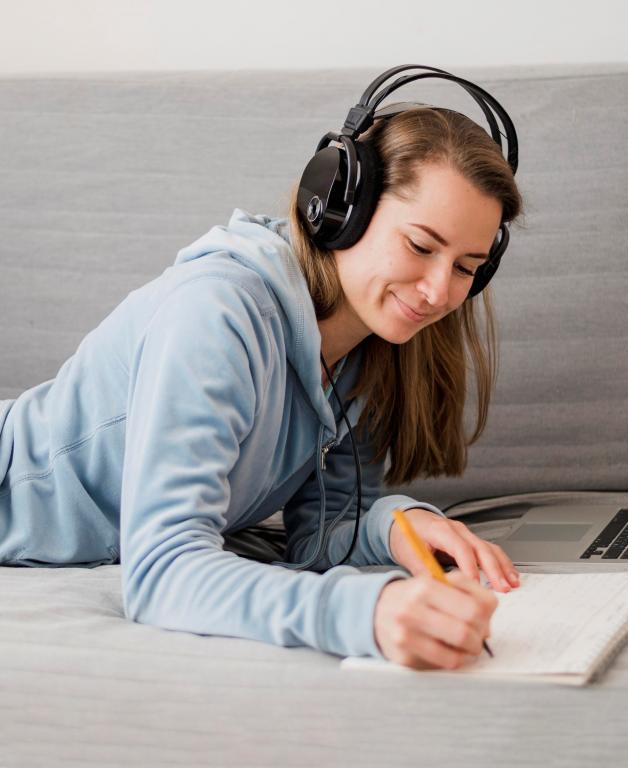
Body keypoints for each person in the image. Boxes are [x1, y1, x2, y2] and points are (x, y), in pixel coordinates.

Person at [0, 74, 523, 671]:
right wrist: (364, 613)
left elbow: (319, 530)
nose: (438, 291)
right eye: (421, 246)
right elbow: (163, 572)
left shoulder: (366, 347)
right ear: (342, 210)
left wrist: (394, 525)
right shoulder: (217, 314)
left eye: (466, 267)